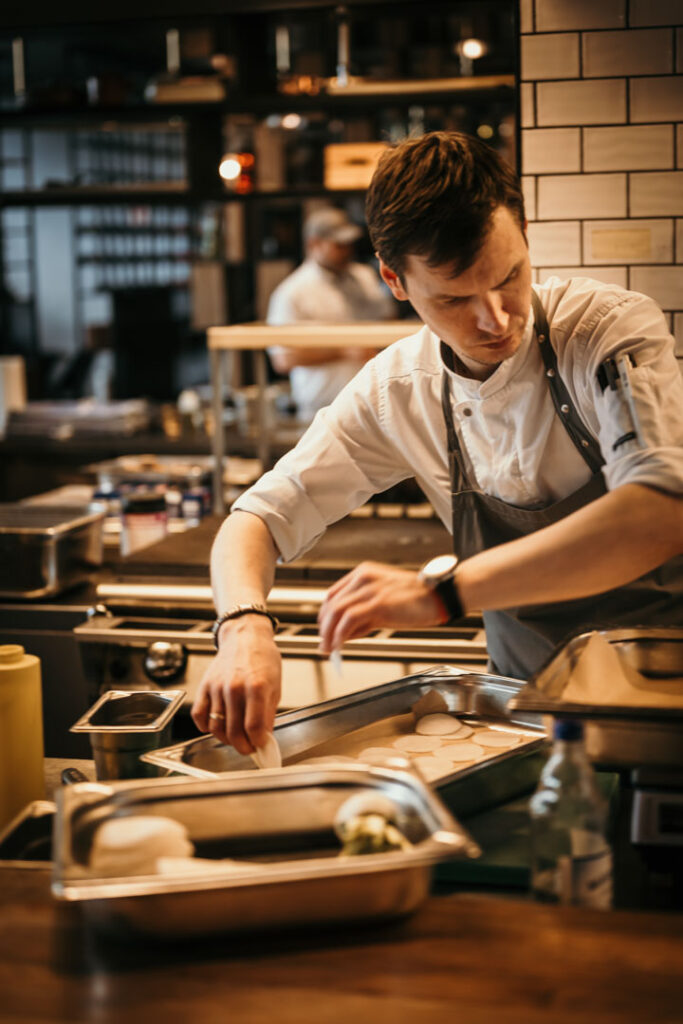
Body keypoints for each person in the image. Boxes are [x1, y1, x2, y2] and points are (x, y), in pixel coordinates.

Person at [193, 131, 683, 755]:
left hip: (666, 715)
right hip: (527, 725)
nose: (496, 320)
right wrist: (242, 627)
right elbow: (258, 517)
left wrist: (442, 592)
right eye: (454, 299)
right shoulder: (399, 389)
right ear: (395, 281)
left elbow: (662, 510)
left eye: (509, 277)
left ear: (526, 233)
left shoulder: (604, 330)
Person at [266, 206, 395, 419]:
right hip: (320, 407)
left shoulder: (364, 276)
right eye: (339, 245)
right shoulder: (292, 291)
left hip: (375, 402)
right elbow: (283, 358)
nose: (347, 250)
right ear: (314, 244)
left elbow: (389, 322)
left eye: (348, 244)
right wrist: (343, 351)